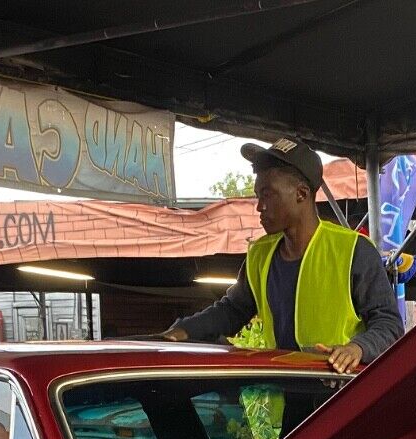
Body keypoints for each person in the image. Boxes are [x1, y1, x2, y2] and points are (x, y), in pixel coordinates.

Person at [162, 138, 403, 374]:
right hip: (288, 396)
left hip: (341, 395)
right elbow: (233, 311)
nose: (259, 206)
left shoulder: (353, 250)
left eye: (268, 194)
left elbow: (389, 324)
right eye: (258, 195)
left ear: (301, 193)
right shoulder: (259, 254)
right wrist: (183, 330)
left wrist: (357, 348)